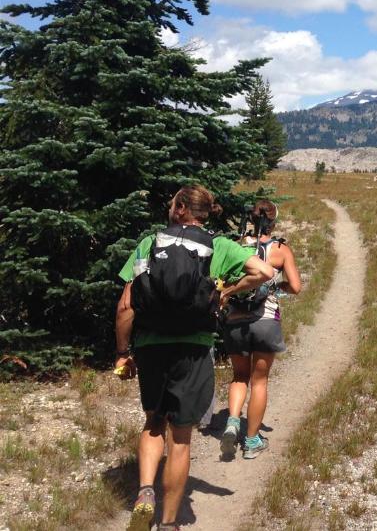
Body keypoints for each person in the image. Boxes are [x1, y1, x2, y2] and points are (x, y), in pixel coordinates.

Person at [114, 186, 274, 531]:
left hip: (152, 346)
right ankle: (170, 522)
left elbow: (126, 306)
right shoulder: (220, 246)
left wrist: (123, 352)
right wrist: (227, 291)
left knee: (154, 421)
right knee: (181, 437)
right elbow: (265, 272)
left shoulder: (149, 243)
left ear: (181, 208)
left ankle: (144, 493)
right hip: (194, 347)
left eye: (172, 203)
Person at [220, 200, 302, 460]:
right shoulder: (280, 249)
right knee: (259, 381)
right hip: (266, 319)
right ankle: (252, 439)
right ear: (273, 221)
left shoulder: (234, 245)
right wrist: (278, 288)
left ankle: (233, 421)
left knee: (238, 376)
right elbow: (296, 287)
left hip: (235, 320)